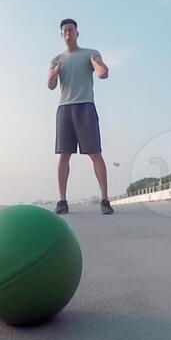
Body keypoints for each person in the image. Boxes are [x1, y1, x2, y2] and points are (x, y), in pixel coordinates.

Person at [48, 18, 114, 216]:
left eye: (71, 30)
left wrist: (96, 63)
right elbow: (50, 85)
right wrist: (56, 71)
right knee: (64, 155)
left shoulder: (89, 54)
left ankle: (104, 199)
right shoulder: (56, 60)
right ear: (61, 36)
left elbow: (103, 74)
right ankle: (62, 201)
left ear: (77, 33)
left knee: (95, 153)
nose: (68, 33)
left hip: (85, 106)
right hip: (65, 109)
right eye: (64, 31)